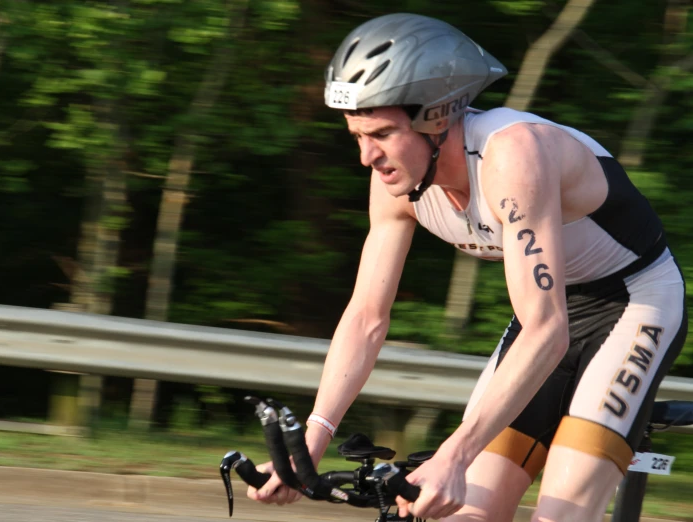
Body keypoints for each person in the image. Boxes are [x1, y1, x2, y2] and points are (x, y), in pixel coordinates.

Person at [246, 12, 687, 522]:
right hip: (547, 313)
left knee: (559, 514)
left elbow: (548, 330)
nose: (368, 156)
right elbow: (367, 316)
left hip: (635, 302)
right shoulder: (396, 182)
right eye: (357, 135)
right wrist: (311, 444)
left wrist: (454, 453)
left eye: (383, 133)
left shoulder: (513, 155)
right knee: (460, 512)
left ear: (437, 117)